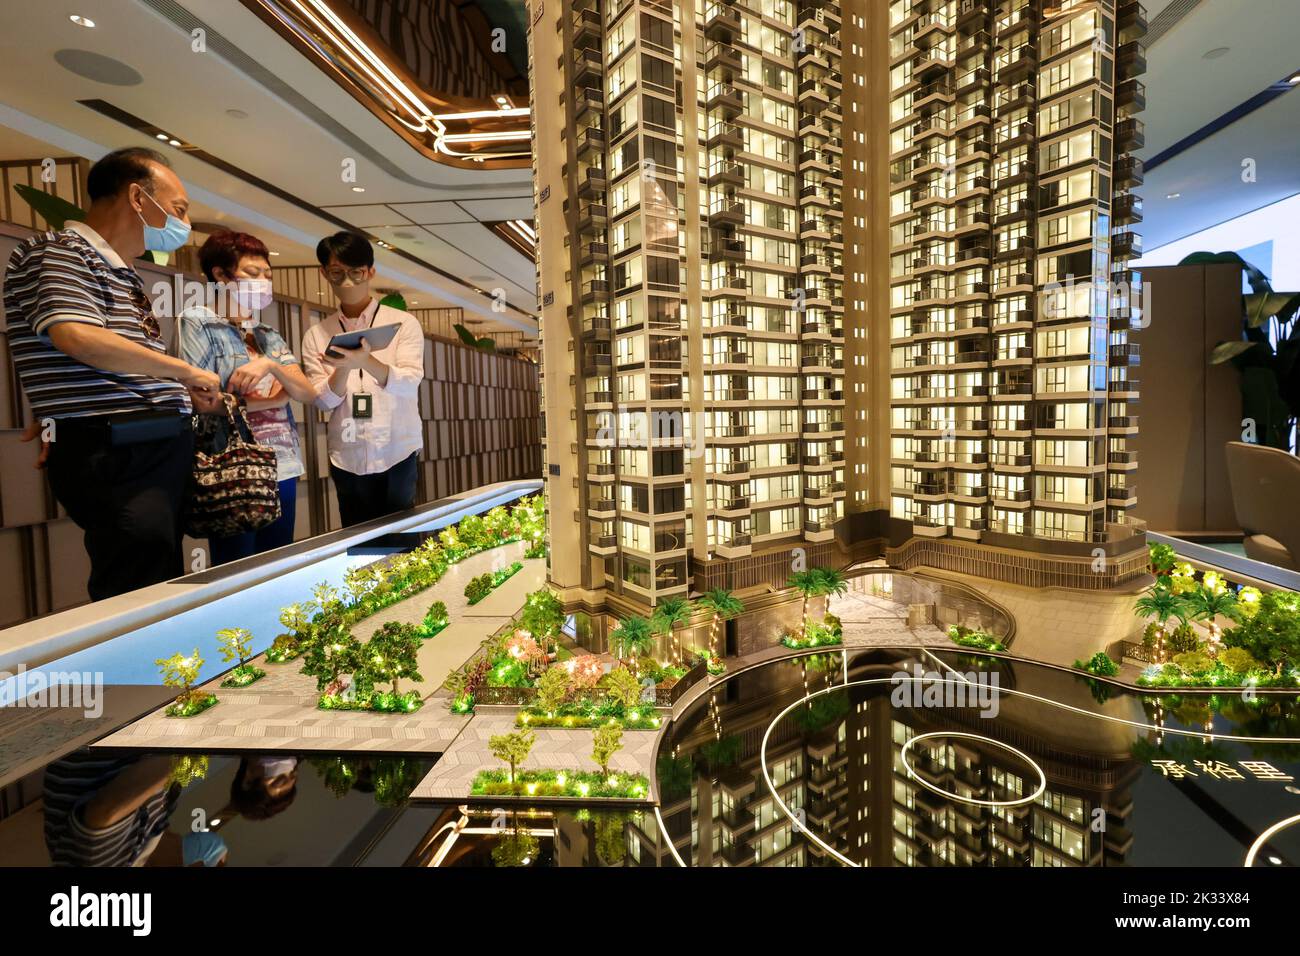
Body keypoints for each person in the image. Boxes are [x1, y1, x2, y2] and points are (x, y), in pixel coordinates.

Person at [4, 147, 222, 601]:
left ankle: (169, 668)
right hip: (118, 447)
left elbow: (112, 357)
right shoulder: (58, 252)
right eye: (178, 209)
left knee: (161, 573)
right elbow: (75, 336)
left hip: (153, 444)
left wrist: (178, 392)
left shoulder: (119, 271)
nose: (182, 223)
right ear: (138, 198)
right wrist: (184, 372)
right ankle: (136, 673)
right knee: (134, 576)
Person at [179, 230, 319, 565]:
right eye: (253, 274)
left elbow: (307, 392)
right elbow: (200, 399)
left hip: (281, 461)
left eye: (267, 275)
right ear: (221, 275)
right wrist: (273, 399)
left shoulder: (267, 335)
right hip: (232, 465)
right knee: (236, 568)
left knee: (277, 563)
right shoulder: (199, 322)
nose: (263, 282)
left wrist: (269, 364)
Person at [301, 232, 425, 527]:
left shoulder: (402, 324)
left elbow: (409, 381)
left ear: (370, 271)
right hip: (347, 454)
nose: (347, 282)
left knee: (400, 540)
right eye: (337, 273)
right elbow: (323, 399)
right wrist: (344, 367)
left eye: (355, 272)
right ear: (324, 274)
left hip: (397, 449)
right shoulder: (317, 334)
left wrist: (365, 361)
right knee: (356, 541)